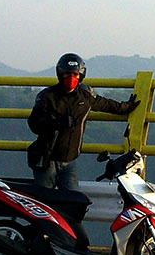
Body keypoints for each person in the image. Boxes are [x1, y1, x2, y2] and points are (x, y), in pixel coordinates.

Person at [27, 53, 139, 191]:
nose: (71, 78)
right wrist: (56, 123)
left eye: (75, 74)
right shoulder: (47, 96)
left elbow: (106, 104)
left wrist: (127, 106)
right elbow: (34, 124)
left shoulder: (85, 95)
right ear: (60, 74)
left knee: (74, 202)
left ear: (81, 75)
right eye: (67, 74)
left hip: (70, 161)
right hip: (47, 159)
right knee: (44, 202)